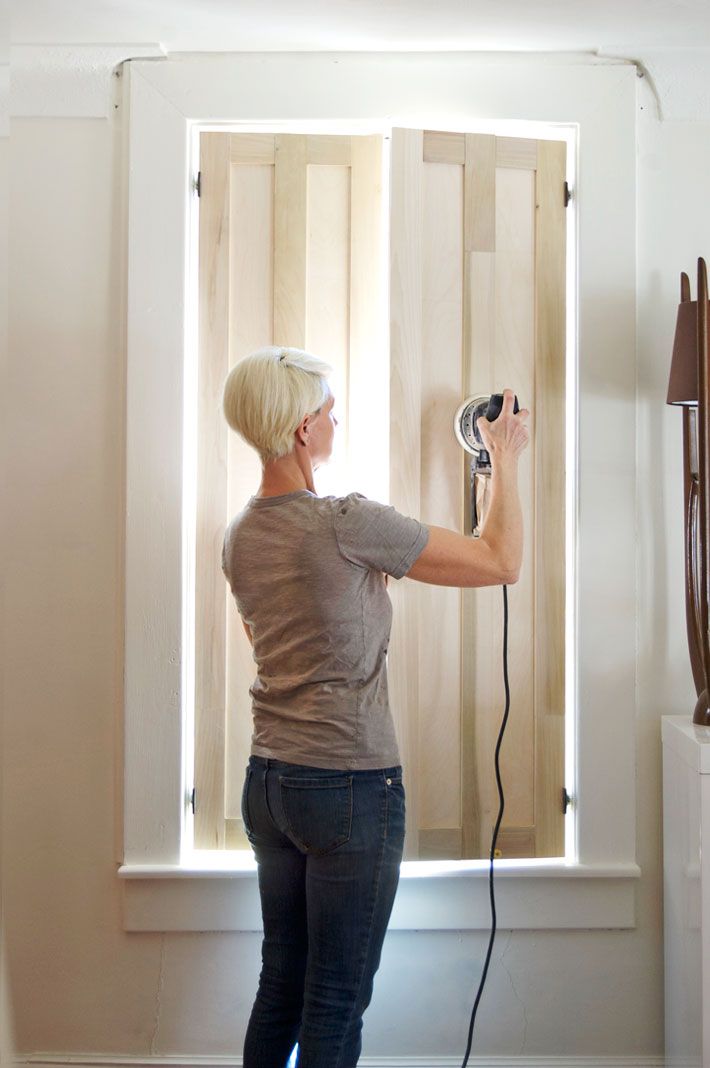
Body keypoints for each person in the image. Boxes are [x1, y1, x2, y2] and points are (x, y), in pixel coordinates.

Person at [221, 346, 529, 1068]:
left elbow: (274, 638)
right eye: (328, 410)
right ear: (302, 429)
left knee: (281, 985)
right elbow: (501, 561)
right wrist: (504, 457)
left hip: (269, 784)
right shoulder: (345, 521)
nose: (336, 420)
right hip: (349, 788)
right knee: (333, 998)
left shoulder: (239, 536)